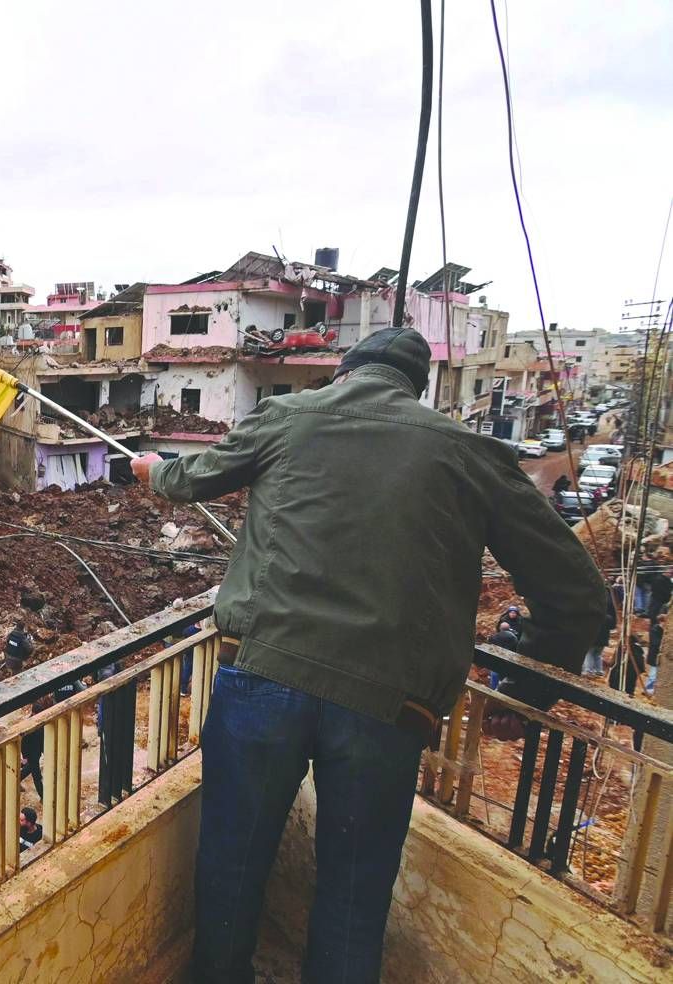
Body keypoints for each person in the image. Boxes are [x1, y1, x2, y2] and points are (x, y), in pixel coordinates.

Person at [130, 328, 605, 983]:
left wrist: (152, 470)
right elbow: (578, 595)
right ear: (416, 388)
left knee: (231, 862)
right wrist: (524, 696)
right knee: (354, 897)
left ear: (345, 373)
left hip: (265, 678)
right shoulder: (469, 451)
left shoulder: (287, 416)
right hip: (388, 707)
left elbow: (192, 478)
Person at [19, 696, 53, 798]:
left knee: (30, 768)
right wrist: (25, 756)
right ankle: (43, 797)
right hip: (31, 753)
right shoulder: (29, 726)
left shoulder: (38, 722)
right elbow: (24, 742)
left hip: (36, 752)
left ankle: (16, 780)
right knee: (37, 775)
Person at [584, 587, 617, 677]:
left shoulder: (593, 617)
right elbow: (612, 627)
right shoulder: (609, 618)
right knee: (598, 655)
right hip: (603, 641)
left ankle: (589, 670)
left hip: (593, 639)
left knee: (589, 654)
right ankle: (599, 670)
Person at [486, 621, 520, 690]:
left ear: (500, 628)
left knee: (494, 674)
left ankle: (492, 689)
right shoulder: (514, 636)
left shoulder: (495, 636)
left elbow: (490, 645)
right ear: (509, 628)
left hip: (497, 660)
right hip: (510, 660)